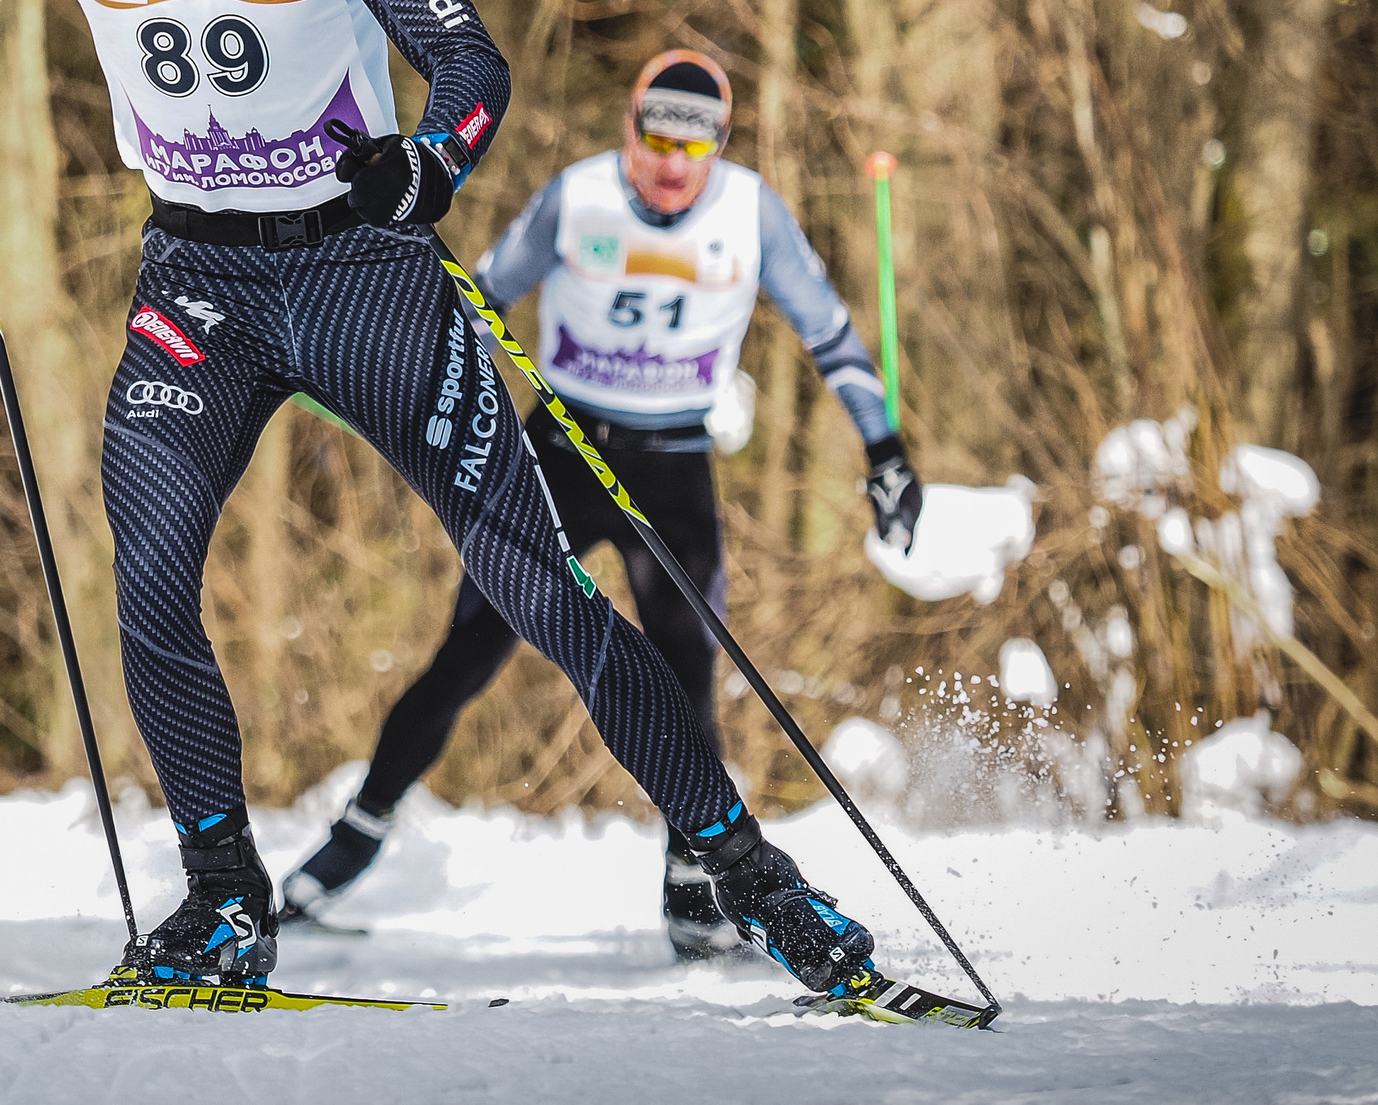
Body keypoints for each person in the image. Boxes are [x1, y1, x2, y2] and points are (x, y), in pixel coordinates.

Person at [0, 0, 896, 1001]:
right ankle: (225, 899)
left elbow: (470, 64)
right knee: (149, 580)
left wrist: (429, 164)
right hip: (197, 282)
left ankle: (752, 875)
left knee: (539, 589)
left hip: (361, 271)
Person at [277, 52, 926, 960]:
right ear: (629, 127)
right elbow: (476, 300)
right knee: (470, 648)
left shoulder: (750, 214)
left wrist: (886, 450)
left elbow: (831, 332)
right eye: (655, 138)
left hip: (674, 464)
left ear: (720, 146)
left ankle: (693, 886)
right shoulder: (576, 198)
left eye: (693, 146)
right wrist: (372, 363)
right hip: (562, 450)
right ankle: (352, 839)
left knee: (687, 675)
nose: (670, 165)